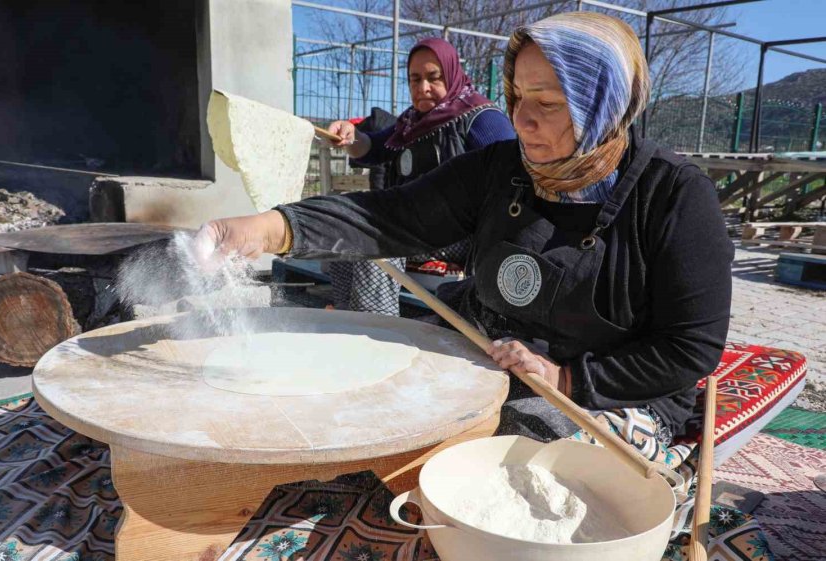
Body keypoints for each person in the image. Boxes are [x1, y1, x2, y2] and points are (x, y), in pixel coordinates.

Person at [195, 11, 733, 488]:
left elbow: (690, 349)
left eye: (547, 102)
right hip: (491, 344)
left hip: (603, 389)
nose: (523, 119)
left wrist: (563, 377)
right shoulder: (501, 168)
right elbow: (392, 216)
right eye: (518, 97)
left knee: (521, 456)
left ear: (604, 102)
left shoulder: (674, 195)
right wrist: (269, 228)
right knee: (380, 400)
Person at [324, 37, 516, 316]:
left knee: (381, 241)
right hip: (418, 230)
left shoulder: (481, 119)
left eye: (433, 78)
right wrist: (350, 136)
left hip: (464, 237)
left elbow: (511, 179)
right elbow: (374, 147)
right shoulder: (411, 123)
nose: (422, 88)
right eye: (414, 79)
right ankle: (346, 319)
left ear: (451, 75)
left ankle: (375, 334)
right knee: (349, 226)